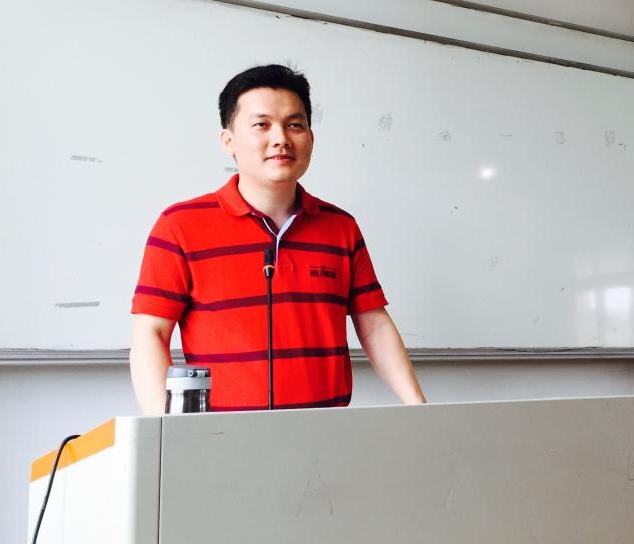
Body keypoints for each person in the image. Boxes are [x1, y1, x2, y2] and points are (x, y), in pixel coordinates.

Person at [130, 64, 426, 413]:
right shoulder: (179, 225)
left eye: (294, 125)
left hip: (326, 430)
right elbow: (151, 334)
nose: (281, 139)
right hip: (220, 434)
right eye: (262, 125)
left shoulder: (340, 227)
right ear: (228, 140)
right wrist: (164, 429)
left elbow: (373, 325)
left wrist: (419, 409)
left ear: (311, 138)